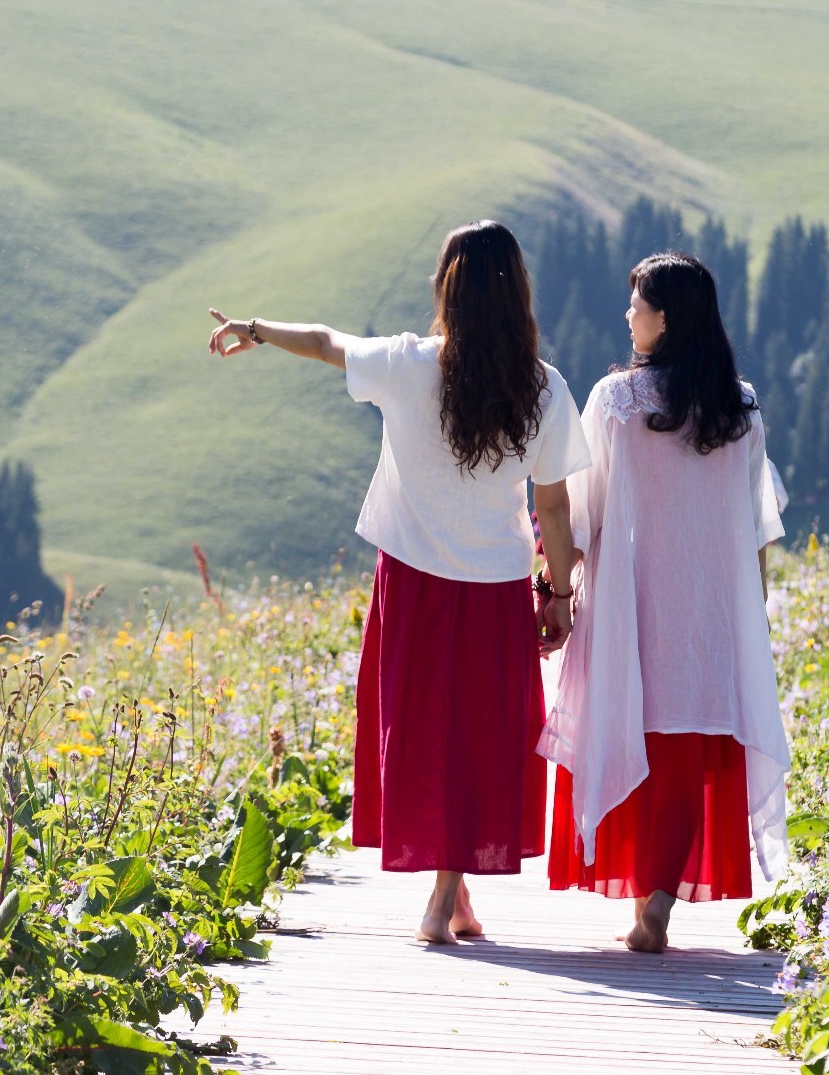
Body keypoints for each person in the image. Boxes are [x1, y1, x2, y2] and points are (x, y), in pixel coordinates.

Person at [206, 220, 591, 945]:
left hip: (413, 579)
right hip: (497, 583)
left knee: (425, 730)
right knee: (481, 734)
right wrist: (558, 596)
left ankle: (441, 896)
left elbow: (323, 340)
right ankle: (458, 893)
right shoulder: (543, 388)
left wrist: (254, 328)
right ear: (520, 295)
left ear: (447, 288)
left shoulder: (408, 364)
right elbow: (555, 506)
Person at [540, 252, 789, 953]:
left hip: (632, 599)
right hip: (706, 610)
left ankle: (643, 891)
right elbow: (755, 524)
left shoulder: (616, 401)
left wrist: (556, 591)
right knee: (684, 749)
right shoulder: (737, 406)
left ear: (665, 316)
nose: (628, 315)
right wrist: (750, 612)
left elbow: (581, 515)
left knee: (628, 727)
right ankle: (657, 899)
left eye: (637, 303)